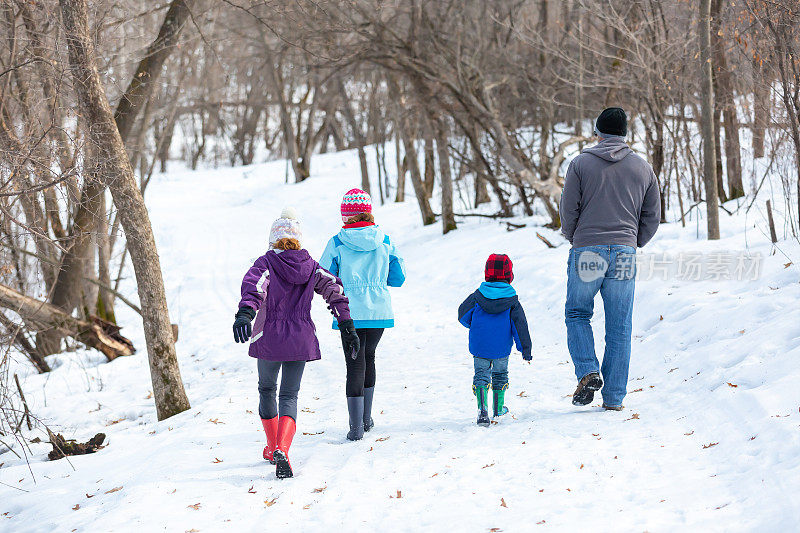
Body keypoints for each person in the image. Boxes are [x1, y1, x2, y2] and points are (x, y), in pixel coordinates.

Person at [233, 208, 360, 478]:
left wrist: (245, 312)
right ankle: (283, 448)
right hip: (300, 338)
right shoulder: (311, 265)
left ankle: (271, 446)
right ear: (298, 240)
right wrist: (346, 323)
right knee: (289, 395)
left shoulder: (266, 263)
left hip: (269, 336)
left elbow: (254, 287)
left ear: (273, 239)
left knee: (267, 389)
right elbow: (333, 289)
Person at [559, 107, 661, 411]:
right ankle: (614, 398)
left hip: (588, 249)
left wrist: (575, 237)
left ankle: (588, 370)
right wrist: (634, 240)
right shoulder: (642, 168)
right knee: (620, 325)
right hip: (625, 252)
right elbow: (652, 215)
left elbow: (568, 210)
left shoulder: (580, 164)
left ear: (597, 132)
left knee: (578, 313)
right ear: (625, 134)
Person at [319, 189, 406, 441]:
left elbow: (324, 276)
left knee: (354, 363)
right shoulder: (386, 241)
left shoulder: (336, 242)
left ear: (346, 215)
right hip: (378, 311)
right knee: (369, 356)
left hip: (348, 313)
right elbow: (398, 278)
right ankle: (366, 419)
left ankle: (356, 427)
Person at [457, 254, 532, 427]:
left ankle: (482, 410)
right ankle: (498, 409)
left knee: (481, 375)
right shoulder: (512, 302)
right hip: (501, 349)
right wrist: (525, 350)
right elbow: (520, 327)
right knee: (499, 375)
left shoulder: (477, 297)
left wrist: (474, 326)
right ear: (509, 275)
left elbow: (462, 314)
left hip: (480, 346)